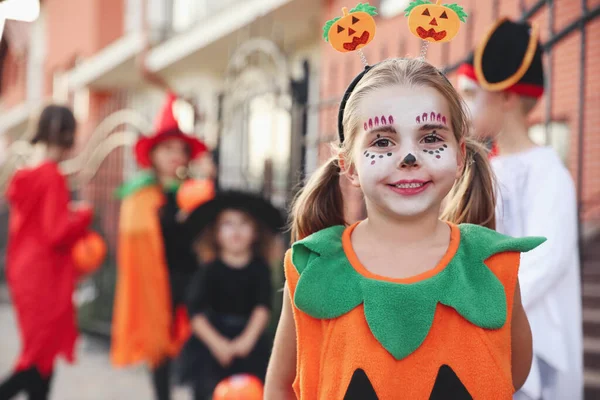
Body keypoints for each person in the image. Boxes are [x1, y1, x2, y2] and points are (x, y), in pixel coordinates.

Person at [264, 55, 549, 399]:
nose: (409, 157)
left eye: (430, 138)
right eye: (383, 141)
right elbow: (281, 387)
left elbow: (511, 373)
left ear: (459, 156)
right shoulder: (311, 267)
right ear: (349, 166)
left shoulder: (494, 265)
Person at [457, 18, 583, 400]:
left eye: (470, 93)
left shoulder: (550, 173)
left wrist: (479, 304)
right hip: (481, 338)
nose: (461, 105)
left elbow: (545, 259)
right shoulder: (482, 169)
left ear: (506, 96)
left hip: (532, 345)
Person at [110, 92, 210, 400]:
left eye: (180, 149)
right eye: (167, 148)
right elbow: (134, 240)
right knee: (159, 349)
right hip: (158, 281)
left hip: (192, 279)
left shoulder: (195, 191)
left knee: (199, 345)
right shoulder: (140, 194)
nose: (175, 154)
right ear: (152, 154)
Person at [0, 105, 93, 399]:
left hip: (24, 270)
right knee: (38, 356)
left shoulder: (27, 176)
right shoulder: (52, 177)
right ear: (67, 136)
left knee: (40, 354)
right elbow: (57, 233)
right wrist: (82, 217)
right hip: (45, 275)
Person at [179, 191, 283, 399]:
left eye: (244, 223)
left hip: (250, 344)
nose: (236, 230)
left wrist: (246, 341)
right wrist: (218, 344)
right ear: (216, 233)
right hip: (213, 344)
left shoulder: (260, 269)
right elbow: (195, 313)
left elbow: (262, 308)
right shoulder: (209, 270)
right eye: (228, 224)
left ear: (255, 232)